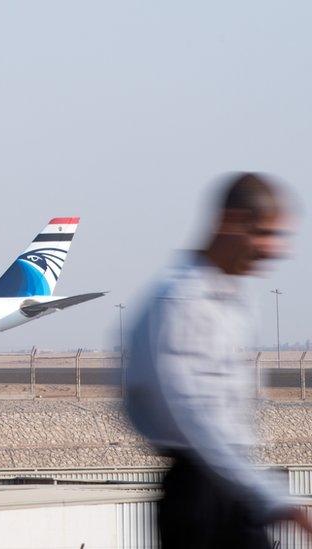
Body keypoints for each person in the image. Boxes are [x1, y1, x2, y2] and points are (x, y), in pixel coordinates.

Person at [124, 172, 311, 548]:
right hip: (202, 496)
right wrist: (273, 496)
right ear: (229, 222)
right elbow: (194, 421)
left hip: (230, 489)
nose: (274, 249)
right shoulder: (181, 303)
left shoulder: (233, 301)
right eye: (264, 233)